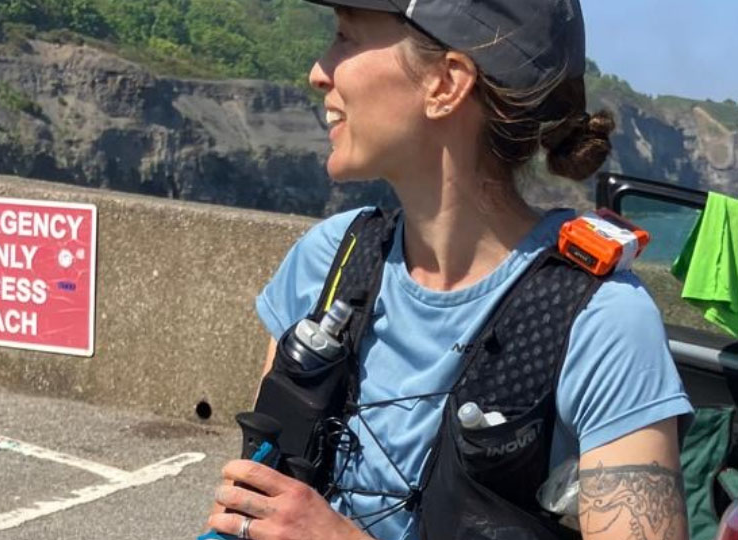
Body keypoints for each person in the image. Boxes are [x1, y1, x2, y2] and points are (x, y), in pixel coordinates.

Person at [206, 1, 694, 539]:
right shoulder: (329, 260)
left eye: (346, 37)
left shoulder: (602, 323)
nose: (318, 72)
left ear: (446, 83)